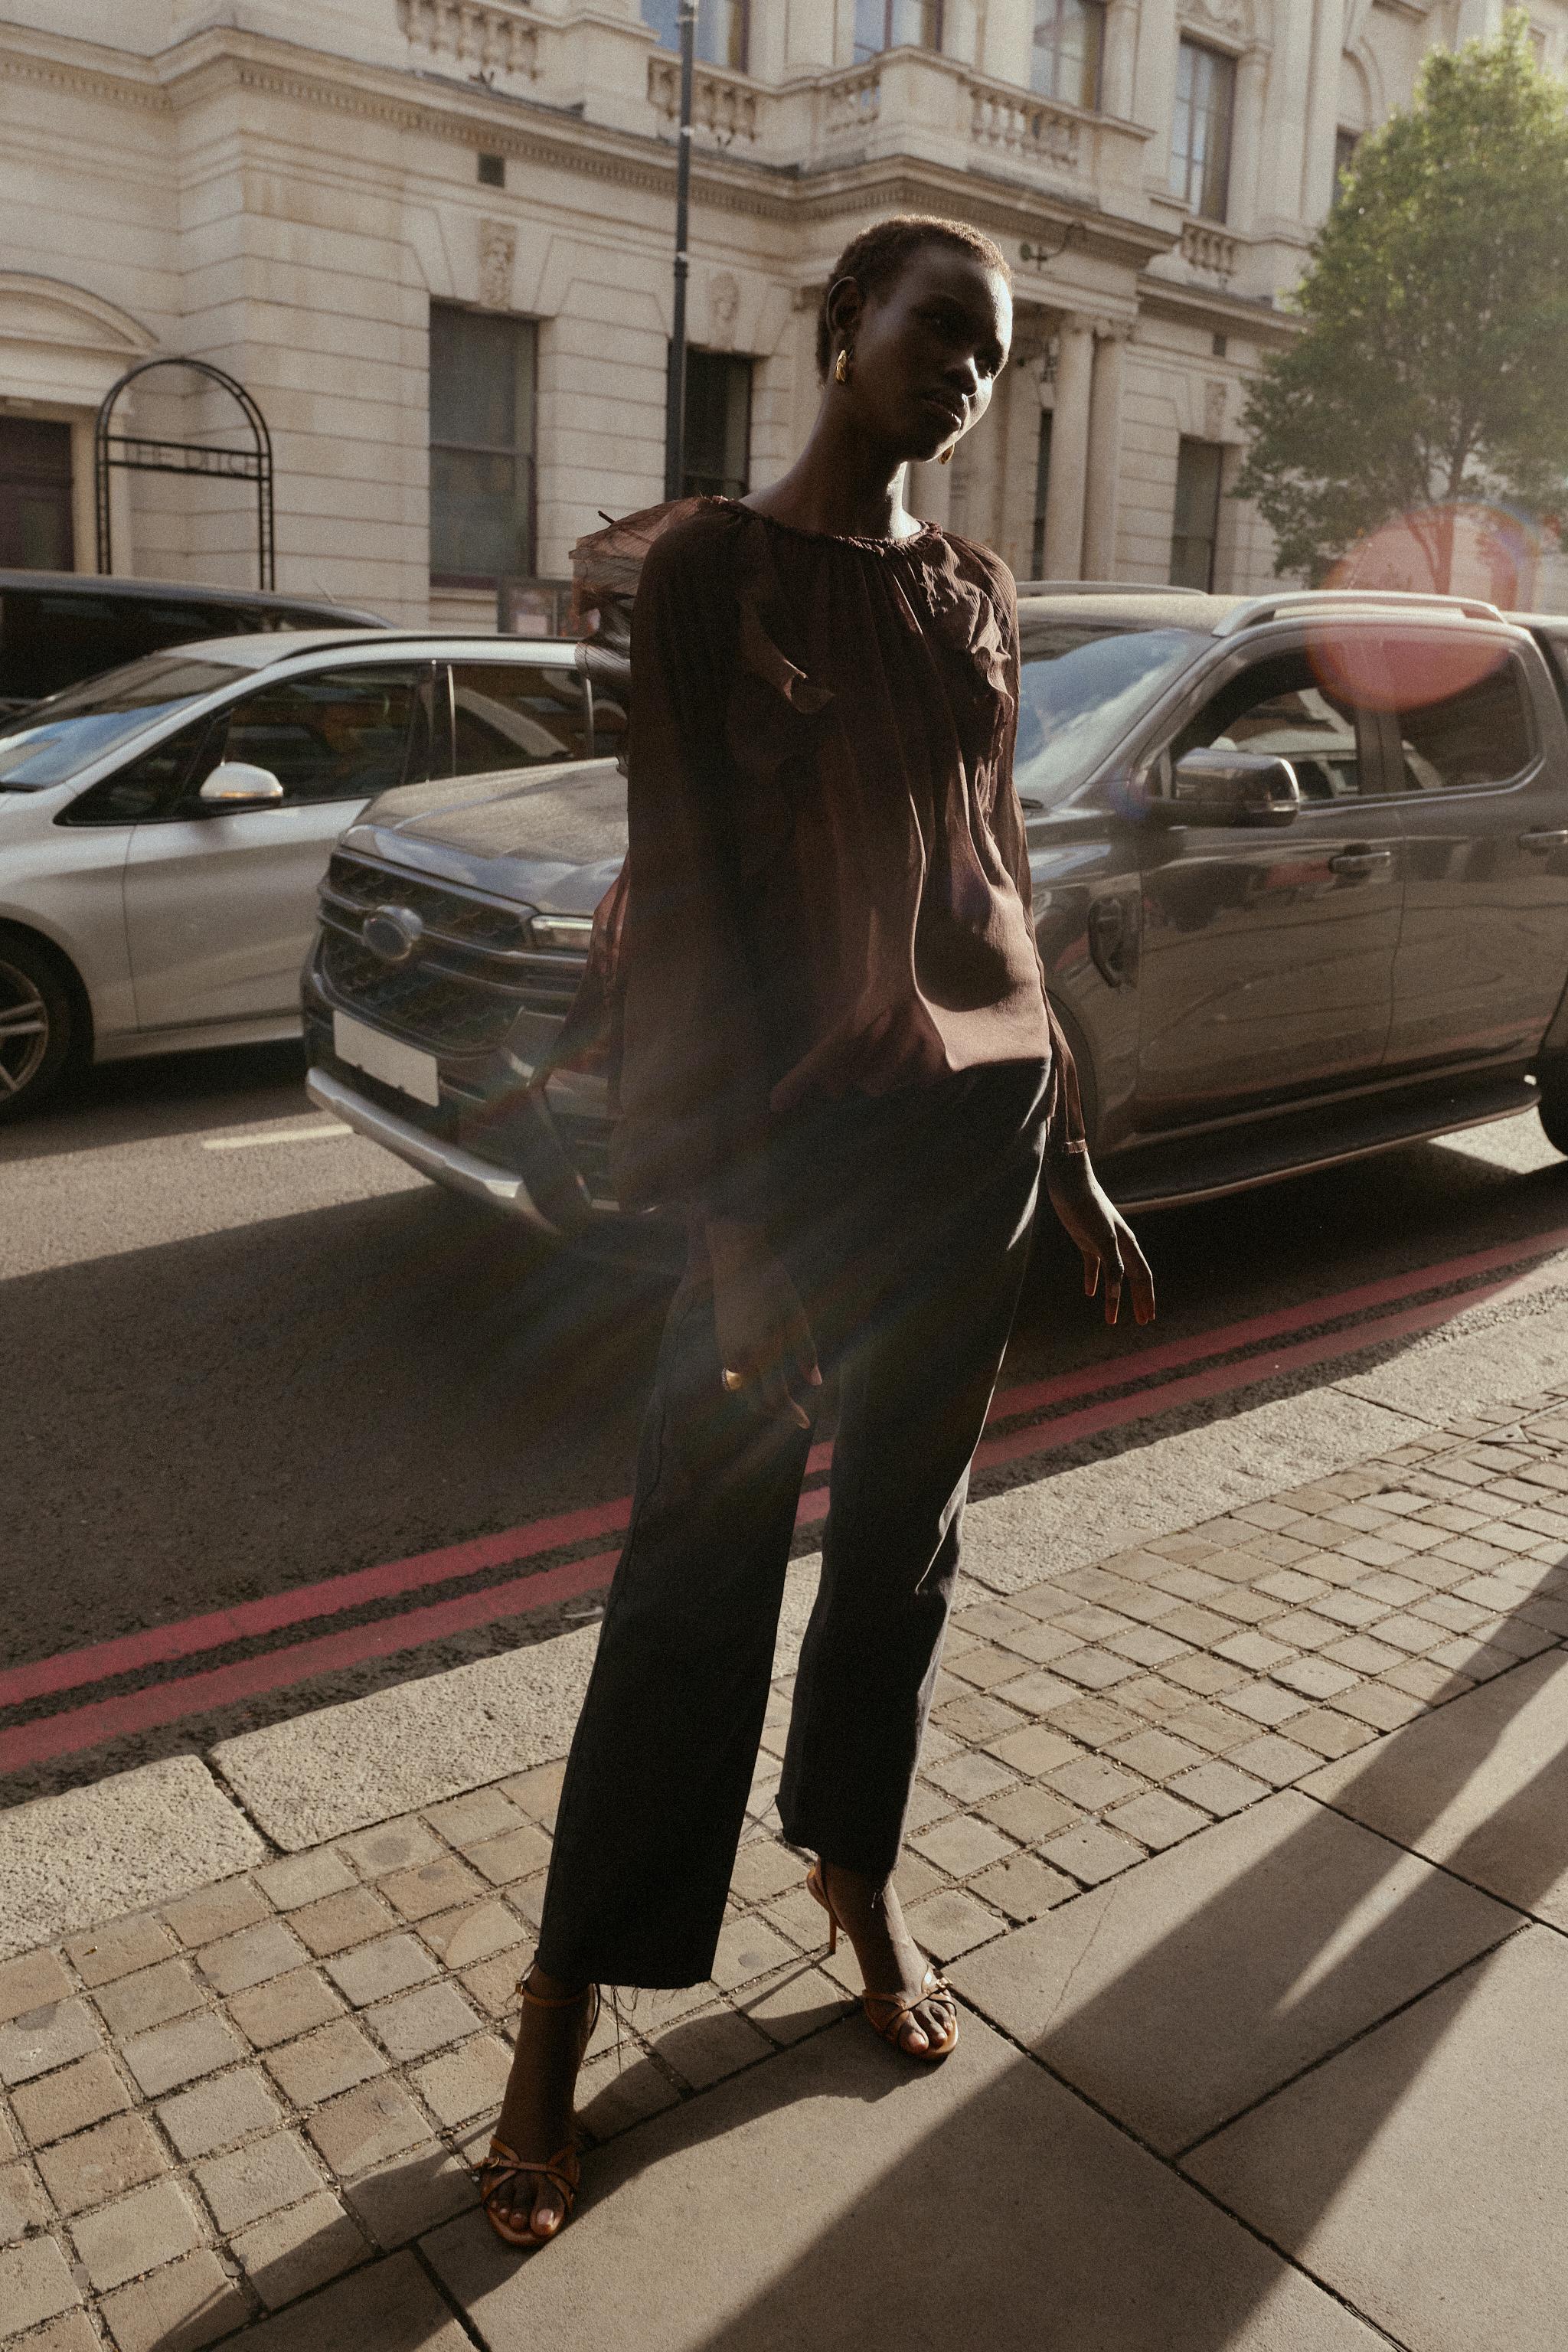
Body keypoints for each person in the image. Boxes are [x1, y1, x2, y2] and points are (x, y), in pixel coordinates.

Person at [481, 213, 1155, 2249]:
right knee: (693, 1577)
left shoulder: (973, 586)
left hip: (977, 1140)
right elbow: (682, 905)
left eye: (997, 355)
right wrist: (732, 1225)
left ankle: (855, 1868)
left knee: (902, 1560)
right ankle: (558, 2006)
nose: (969, 375)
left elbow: (997, 863)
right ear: (846, 325)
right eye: (939, 333)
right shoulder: (707, 574)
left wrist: (1073, 1148)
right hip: (791, 1168)